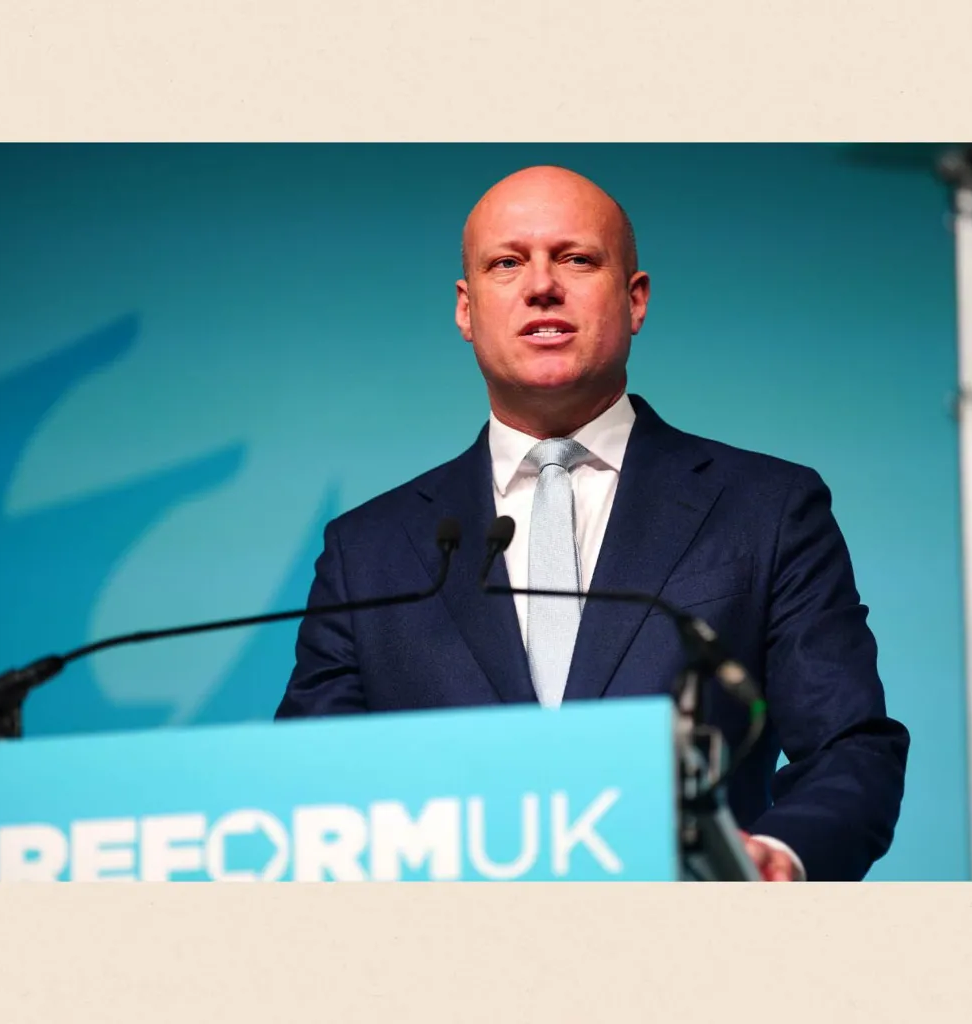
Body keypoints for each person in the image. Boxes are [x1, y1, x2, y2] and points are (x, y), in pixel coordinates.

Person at [276, 165, 909, 882]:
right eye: (506, 263)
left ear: (635, 300)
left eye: (576, 259)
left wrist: (779, 857)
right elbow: (308, 787)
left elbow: (850, 745)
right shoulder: (367, 552)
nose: (541, 285)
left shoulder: (766, 508)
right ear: (466, 309)